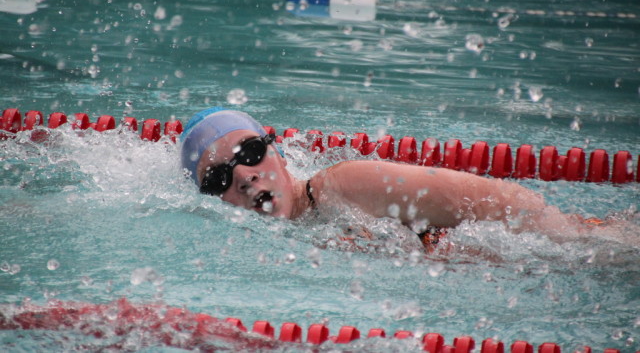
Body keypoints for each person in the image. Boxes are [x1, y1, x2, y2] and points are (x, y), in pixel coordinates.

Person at [180, 107, 637, 249]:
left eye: (251, 152)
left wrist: (576, 241)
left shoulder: (344, 185)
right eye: (217, 177)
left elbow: (501, 199)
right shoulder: (294, 235)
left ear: (278, 153)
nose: (242, 176)